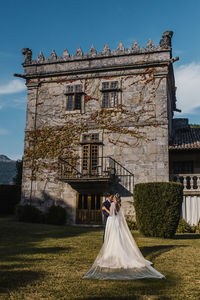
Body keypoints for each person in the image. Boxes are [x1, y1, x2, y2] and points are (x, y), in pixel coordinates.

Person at [83, 193, 165, 280]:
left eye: (114, 197)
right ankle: (119, 253)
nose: (112, 198)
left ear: (115, 198)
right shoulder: (119, 204)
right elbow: (117, 213)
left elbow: (111, 213)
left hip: (112, 222)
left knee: (112, 238)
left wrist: (105, 209)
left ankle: (112, 255)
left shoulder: (113, 204)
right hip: (117, 223)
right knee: (118, 238)